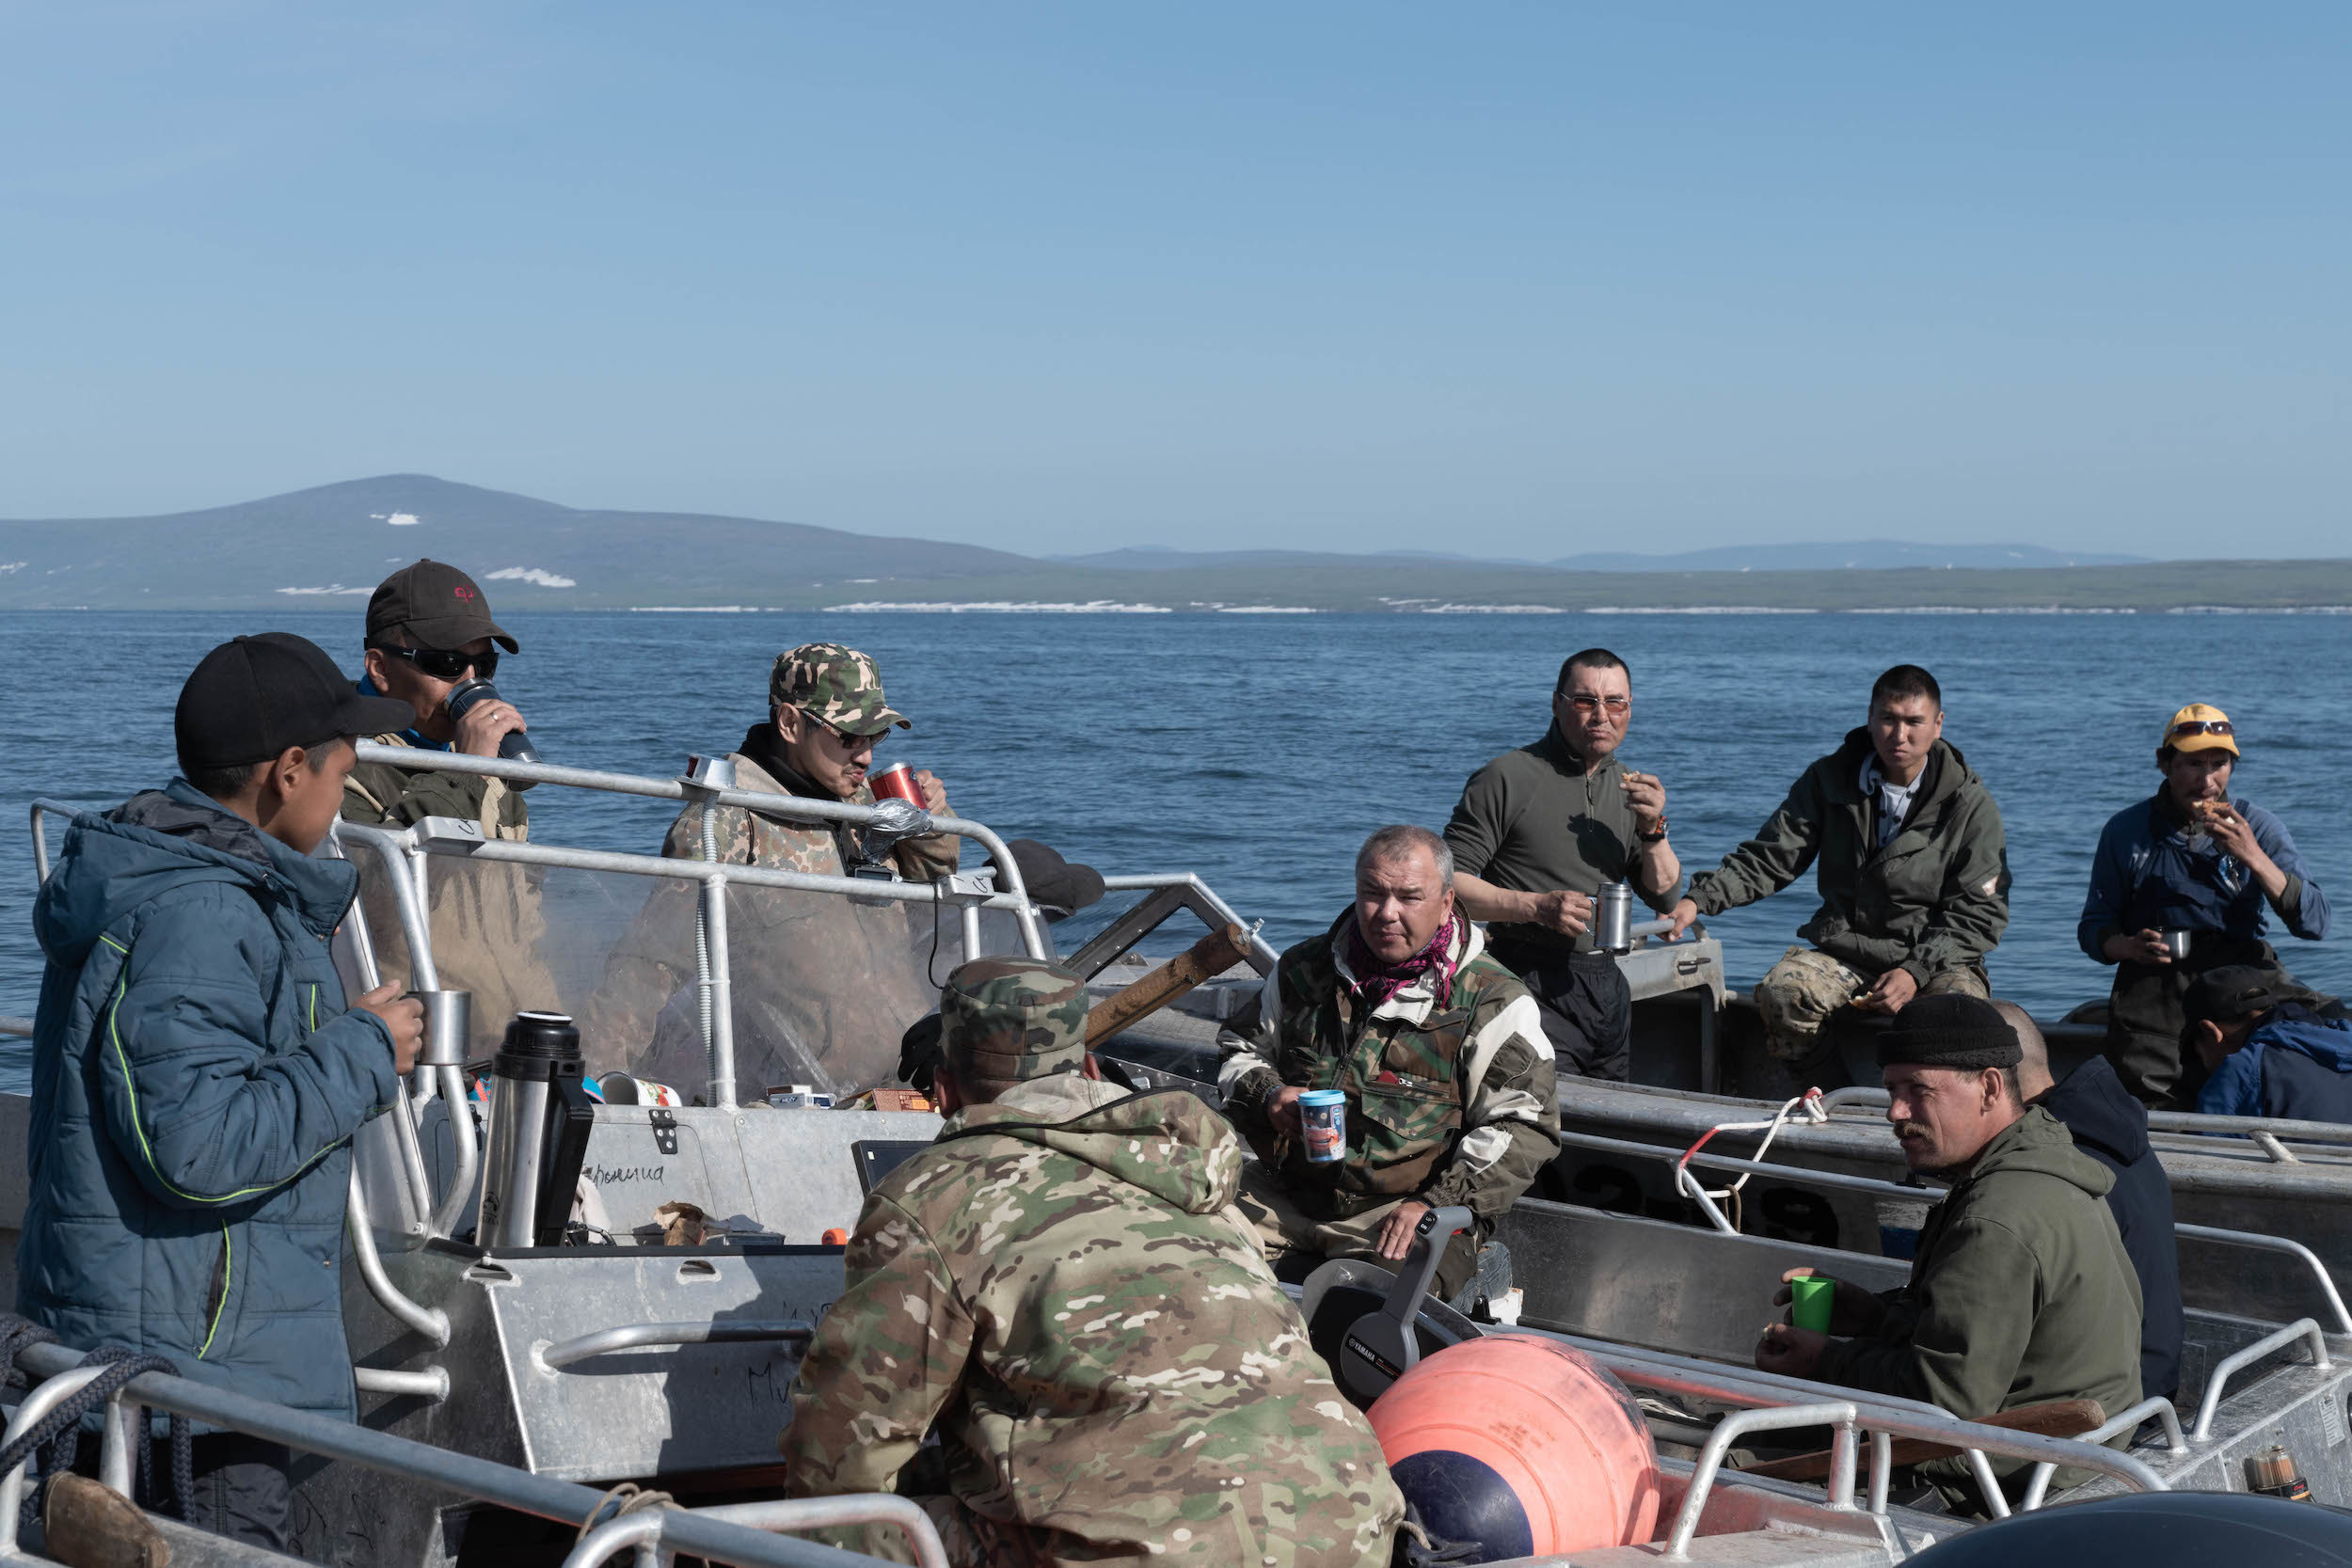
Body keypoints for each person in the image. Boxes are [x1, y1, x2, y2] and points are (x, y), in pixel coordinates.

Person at [781, 958, 1404, 1568]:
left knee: (840, 1535)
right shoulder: (1194, 1176)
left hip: (1136, 1552)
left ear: (942, 1090)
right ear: (1086, 1066)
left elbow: (844, 1447)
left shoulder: (933, 1197)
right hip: (1346, 1526)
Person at [21, 634, 425, 1550]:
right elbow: (196, 1147)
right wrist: (364, 1050)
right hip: (182, 1392)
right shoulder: (201, 911)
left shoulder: (192, 888)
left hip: (168, 1355)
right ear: (289, 770)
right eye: (343, 763)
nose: (348, 785)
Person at [1754, 996, 2142, 1504]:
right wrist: (1876, 1317)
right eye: (1892, 1089)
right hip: (2058, 1454)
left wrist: (1826, 1360)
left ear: (1989, 1087)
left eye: (1919, 1090)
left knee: (1719, 1452)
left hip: (1997, 1482)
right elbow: (1988, 1337)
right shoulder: (2042, 1167)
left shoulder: (1996, 1218)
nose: (1895, 1111)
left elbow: (1943, 1408)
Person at [585, 643, 960, 1092]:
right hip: (818, 1103)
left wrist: (931, 823)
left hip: (914, 1082)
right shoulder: (726, 821)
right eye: (848, 738)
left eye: (875, 738)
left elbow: (934, 895)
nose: (865, 758)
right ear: (790, 723)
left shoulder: (863, 804)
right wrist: (591, 1087)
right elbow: (650, 963)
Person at [1217, 826, 1561, 1302]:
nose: (1386, 913)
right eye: (1372, 894)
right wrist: (1268, 1095)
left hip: (1403, 1212)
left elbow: (1525, 1127)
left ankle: (1468, 1276)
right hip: (1286, 1194)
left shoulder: (1493, 1000)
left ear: (1445, 903)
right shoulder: (1303, 969)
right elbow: (1241, 1049)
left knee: (1373, 1310)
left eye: (1409, 897)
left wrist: (1436, 1203)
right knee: (1164, 1240)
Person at [1666, 665, 2009, 1069]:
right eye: (1888, 719)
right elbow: (1771, 857)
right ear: (1870, 717)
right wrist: (1698, 899)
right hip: (1850, 953)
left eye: (1914, 721)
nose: (1899, 735)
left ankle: (1938, 1119)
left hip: (1935, 961)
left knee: (1962, 1017)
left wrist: (1914, 971)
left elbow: (1979, 915)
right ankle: (1828, 1098)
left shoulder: (1970, 806)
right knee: (1782, 993)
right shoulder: (1829, 780)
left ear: (1937, 725)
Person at [2078, 703, 2334, 1108]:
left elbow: (2315, 922)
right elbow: (2094, 927)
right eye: (2193, 763)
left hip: (2243, 983)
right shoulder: (2126, 831)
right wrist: (2126, 947)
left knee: (2332, 1028)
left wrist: (2254, 856)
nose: (2207, 780)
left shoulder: (2260, 827)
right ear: (2165, 764)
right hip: (2155, 988)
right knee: (2149, 1100)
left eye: (2219, 763)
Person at [340, 559, 550, 1050]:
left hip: (504, 1048)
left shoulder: (490, 770)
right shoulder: (342, 764)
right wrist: (465, 776)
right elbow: (378, 904)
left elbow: (528, 927)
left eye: (485, 665)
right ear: (379, 667)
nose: (472, 682)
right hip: (415, 1054)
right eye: (448, 664)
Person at [1443, 649, 1680, 1080]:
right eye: (1586, 701)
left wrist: (1653, 829)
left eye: (1615, 703)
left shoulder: (1631, 787)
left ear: (1630, 708)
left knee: (1608, 1126)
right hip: (1524, 980)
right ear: (1557, 704)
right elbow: (1448, 888)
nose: (1601, 716)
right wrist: (1536, 908)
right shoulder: (1506, 777)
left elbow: (1664, 894)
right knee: (1547, 1125)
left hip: (1606, 984)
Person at [2005, 1002, 2183, 1402]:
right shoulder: (2113, 1133)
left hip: (2111, 1412)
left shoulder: (2059, 1167)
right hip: (2155, 1380)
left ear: (1990, 1083)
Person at [2185, 965, 2352, 1123]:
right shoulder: (2343, 1034)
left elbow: (2204, 1147)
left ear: (2210, 1031)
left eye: (2196, 1053)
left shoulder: (2241, 1069)